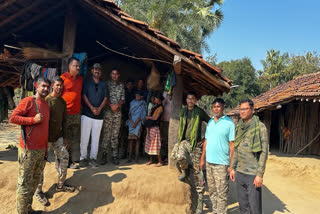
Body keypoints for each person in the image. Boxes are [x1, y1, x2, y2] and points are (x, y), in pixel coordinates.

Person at [10, 77, 51, 214]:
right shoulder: (28, 101)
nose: (46, 89)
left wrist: (46, 150)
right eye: (43, 86)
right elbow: (13, 118)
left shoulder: (45, 104)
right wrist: (32, 120)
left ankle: (28, 209)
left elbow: (45, 129)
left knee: (34, 183)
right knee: (24, 185)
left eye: (47, 87)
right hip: (28, 150)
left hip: (40, 150)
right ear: (36, 86)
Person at [35, 77, 75, 206]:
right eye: (57, 85)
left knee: (64, 157)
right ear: (52, 85)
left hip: (58, 137)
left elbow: (64, 120)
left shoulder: (62, 102)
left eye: (61, 86)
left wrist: (65, 137)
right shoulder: (45, 100)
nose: (59, 87)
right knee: (41, 164)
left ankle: (60, 185)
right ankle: (38, 191)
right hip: (44, 138)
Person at [171, 91, 210, 214]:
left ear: (196, 100)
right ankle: (185, 171)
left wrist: (205, 138)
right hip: (184, 141)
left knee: (198, 173)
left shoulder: (199, 112)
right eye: (188, 99)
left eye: (192, 99)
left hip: (196, 144)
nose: (190, 101)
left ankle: (200, 202)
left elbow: (210, 122)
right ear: (186, 100)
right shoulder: (183, 112)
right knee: (179, 155)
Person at [229, 99, 269, 214]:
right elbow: (236, 148)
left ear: (252, 110)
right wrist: (233, 168)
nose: (242, 112)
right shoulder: (239, 127)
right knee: (243, 206)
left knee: (254, 206)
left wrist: (260, 175)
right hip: (240, 172)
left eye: (245, 109)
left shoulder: (260, 127)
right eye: (241, 109)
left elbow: (264, 152)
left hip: (252, 174)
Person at [200, 98, 235, 214]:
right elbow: (206, 141)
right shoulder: (210, 122)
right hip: (209, 162)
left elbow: (232, 145)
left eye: (218, 106)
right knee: (212, 190)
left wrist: (231, 165)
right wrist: (202, 159)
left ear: (223, 107)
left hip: (222, 164)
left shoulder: (229, 123)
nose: (216, 109)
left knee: (222, 193)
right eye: (214, 107)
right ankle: (215, 211)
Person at [80, 63, 108, 167]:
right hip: (87, 114)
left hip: (99, 116)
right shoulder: (87, 82)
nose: (97, 71)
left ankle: (93, 158)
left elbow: (105, 98)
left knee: (96, 139)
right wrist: (92, 108)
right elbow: (84, 95)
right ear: (92, 71)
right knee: (84, 137)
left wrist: (99, 109)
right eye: (95, 69)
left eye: (99, 70)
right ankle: (83, 158)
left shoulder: (104, 84)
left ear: (101, 72)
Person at [61, 57, 83, 169]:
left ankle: (70, 161)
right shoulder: (63, 79)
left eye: (79, 66)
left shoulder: (80, 79)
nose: (78, 68)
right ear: (70, 66)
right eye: (76, 66)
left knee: (73, 138)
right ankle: (64, 162)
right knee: (65, 138)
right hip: (66, 114)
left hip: (76, 114)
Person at [101, 69, 125, 165]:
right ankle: (104, 155)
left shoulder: (121, 85)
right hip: (108, 113)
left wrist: (117, 106)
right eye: (113, 74)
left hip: (118, 114)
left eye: (116, 74)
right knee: (106, 134)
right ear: (110, 75)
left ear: (118, 75)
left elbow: (123, 99)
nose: (114, 75)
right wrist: (111, 105)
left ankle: (114, 156)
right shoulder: (106, 84)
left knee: (115, 135)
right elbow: (104, 98)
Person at [126, 91, 147, 163]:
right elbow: (129, 114)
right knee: (131, 141)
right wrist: (132, 122)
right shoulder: (132, 102)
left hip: (138, 124)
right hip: (132, 124)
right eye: (136, 95)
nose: (137, 97)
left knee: (137, 141)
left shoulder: (143, 103)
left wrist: (136, 122)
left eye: (138, 96)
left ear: (141, 97)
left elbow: (143, 115)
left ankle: (137, 158)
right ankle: (129, 157)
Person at [144, 93, 163, 167]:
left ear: (159, 99)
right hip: (150, 126)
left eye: (155, 98)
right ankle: (151, 160)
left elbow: (155, 118)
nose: (154, 99)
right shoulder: (155, 106)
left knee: (156, 144)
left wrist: (148, 117)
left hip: (155, 127)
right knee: (149, 143)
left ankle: (160, 161)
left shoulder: (160, 108)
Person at [119, 78, 135, 159]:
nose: (129, 86)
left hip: (132, 117)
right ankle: (122, 153)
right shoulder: (123, 92)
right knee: (123, 135)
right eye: (128, 84)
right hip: (124, 116)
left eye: (131, 84)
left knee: (131, 136)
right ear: (126, 85)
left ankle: (130, 154)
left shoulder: (134, 93)